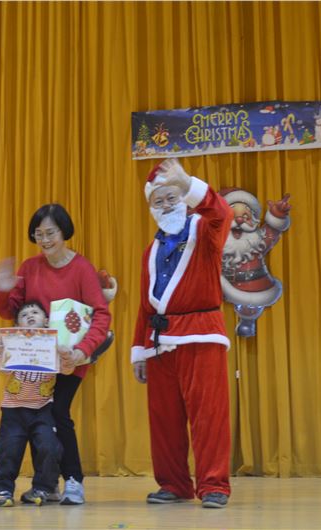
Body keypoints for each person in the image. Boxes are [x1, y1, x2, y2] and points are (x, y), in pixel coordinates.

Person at [131, 158, 234, 509]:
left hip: (201, 337)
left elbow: (223, 213)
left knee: (209, 416)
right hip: (160, 343)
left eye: (171, 197)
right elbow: (145, 305)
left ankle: (213, 484)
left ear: (185, 199)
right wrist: (140, 350)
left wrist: (188, 182)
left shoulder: (204, 231)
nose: (165, 205)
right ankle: (173, 483)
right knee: (164, 420)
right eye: (157, 200)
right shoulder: (150, 251)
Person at [0, 203, 111, 505]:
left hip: (70, 358)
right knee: (38, 416)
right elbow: (10, 311)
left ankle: (73, 481)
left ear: (64, 232)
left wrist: (82, 351)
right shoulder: (29, 267)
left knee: (57, 412)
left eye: (50, 233)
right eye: (38, 234)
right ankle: (48, 485)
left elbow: (101, 314)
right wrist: (3, 289)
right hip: (36, 362)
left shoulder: (81, 268)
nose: (44, 240)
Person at [0, 301, 78, 507]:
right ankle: (3, 490)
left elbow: (67, 370)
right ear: (17, 325)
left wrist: (65, 353)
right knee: (8, 449)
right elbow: (2, 369)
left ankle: (42, 488)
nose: (30, 315)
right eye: (24, 315)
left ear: (46, 321)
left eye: (35, 312)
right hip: (13, 409)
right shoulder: (12, 343)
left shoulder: (54, 344)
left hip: (42, 409)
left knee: (49, 447)